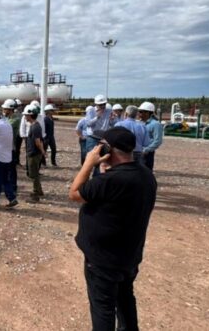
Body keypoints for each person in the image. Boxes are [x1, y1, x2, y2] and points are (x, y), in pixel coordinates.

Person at [68, 126, 156, 331]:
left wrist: (88, 164)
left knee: (103, 308)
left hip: (103, 259)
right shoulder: (145, 174)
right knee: (125, 299)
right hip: (128, 255)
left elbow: (75, 193)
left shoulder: (111, 180)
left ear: (108, 149)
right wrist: (106, 170)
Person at [86, 95, 117, 176]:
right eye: (100, 104)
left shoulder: (109, 111)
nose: (102, 106)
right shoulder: (91, 111)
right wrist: (97, 117)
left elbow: (111, 124)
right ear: (96, 104)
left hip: (104, 138)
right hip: (93, 138)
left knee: (103, 160)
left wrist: (112, 120)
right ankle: (86, 178)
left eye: (104, 104)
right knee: (92, 160)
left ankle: (97, 178)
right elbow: (88, 124)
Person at [23, 106, 47, 202]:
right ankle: (39, 190)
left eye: (26, 115)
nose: (25, 116)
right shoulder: (34, 126)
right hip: (32, 152)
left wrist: (42, 152)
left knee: (33, 174)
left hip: (33, 154)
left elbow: (38, 141)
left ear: (30, 115)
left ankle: (36, 194)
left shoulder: (35, 127)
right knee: (33, 173)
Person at [138, 102, 163, 171]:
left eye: (140, 112)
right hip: (138, 151)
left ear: (148, 113)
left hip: (147, 154)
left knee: (146, 172)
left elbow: (158, 140)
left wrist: (146, 150)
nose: (139, 113)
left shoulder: (156, 124)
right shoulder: (140, 123)